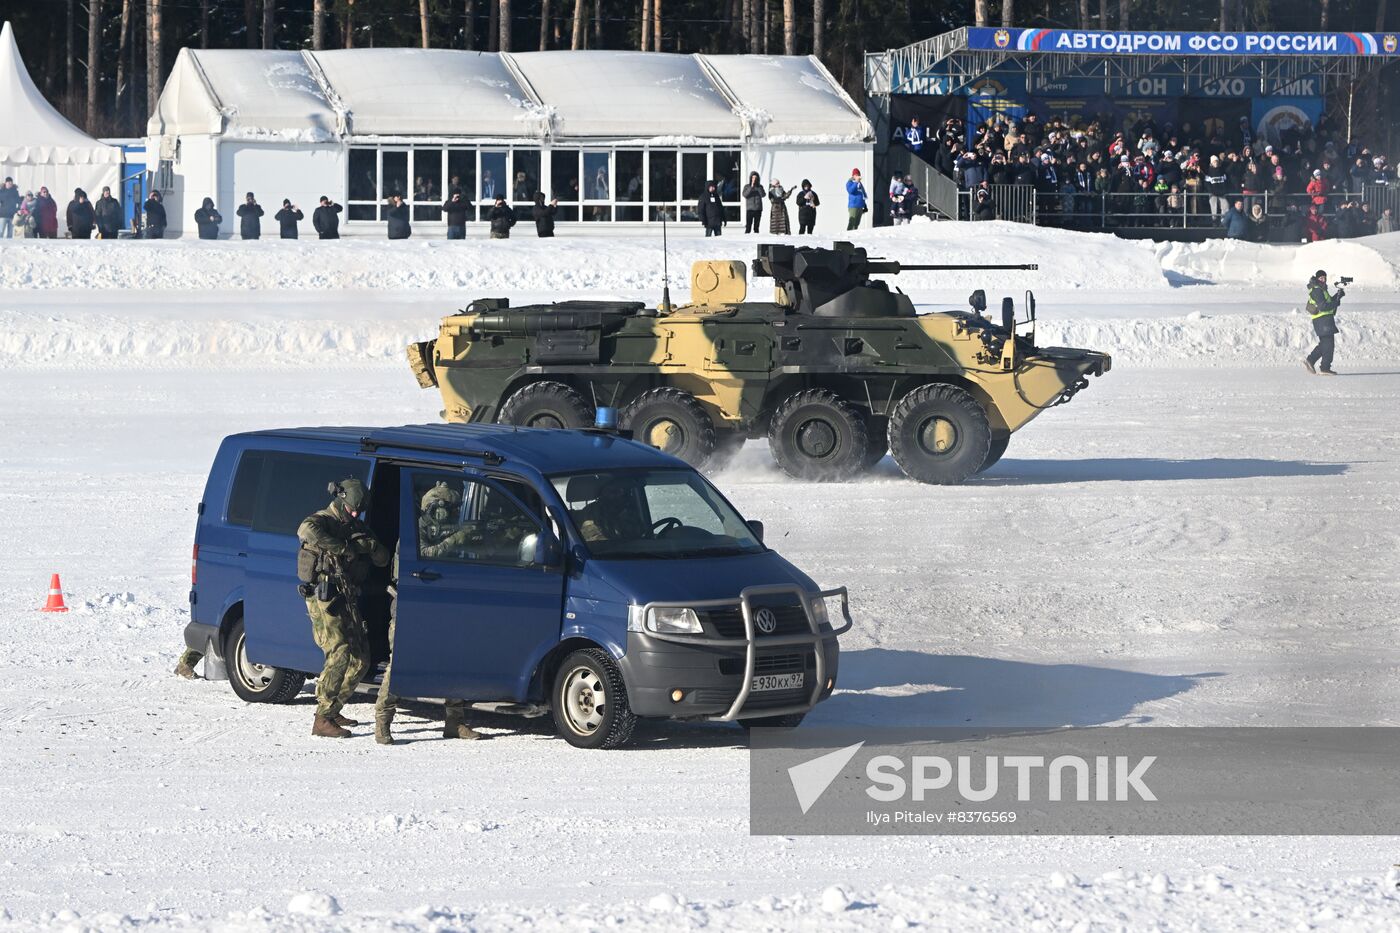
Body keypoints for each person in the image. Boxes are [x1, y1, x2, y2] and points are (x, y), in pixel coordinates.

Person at [374, 483, 482, 745]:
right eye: (449, 509)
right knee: (399, 665)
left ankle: (455, 721)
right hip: (411, 609)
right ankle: (383, 720)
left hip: (443, 608)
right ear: (436, 509)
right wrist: (458, 539)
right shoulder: (413, 534)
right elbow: (425, 555)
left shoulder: (448, 531)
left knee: (455, 661)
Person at [296, 478, 390, 738]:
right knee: (339, 652)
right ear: (341, 500)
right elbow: (304, 530)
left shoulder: (358, 526)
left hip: (347, 596)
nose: (355, 514)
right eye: (351, 509)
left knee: (361, 659)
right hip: (325, 597)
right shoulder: (323, 520)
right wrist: (345, 548)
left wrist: (369, 546)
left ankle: (334, 707)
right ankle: (322, 718)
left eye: (358, 510)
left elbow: (383, 559)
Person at [1303, 269, 1343, 375]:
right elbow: (1323, 306)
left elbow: (1328, 302)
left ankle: (1312, 361)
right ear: (1317, 278)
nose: (1323, 279)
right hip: (1322, 320)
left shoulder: (1322, 289)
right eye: (1321, 278)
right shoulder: (1317, 290)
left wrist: (1338, 295)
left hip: (1325, 320)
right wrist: (1336, 304)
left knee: (1326, 344)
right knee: (1328, 344)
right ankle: (1324, 367)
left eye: (1324, 278)